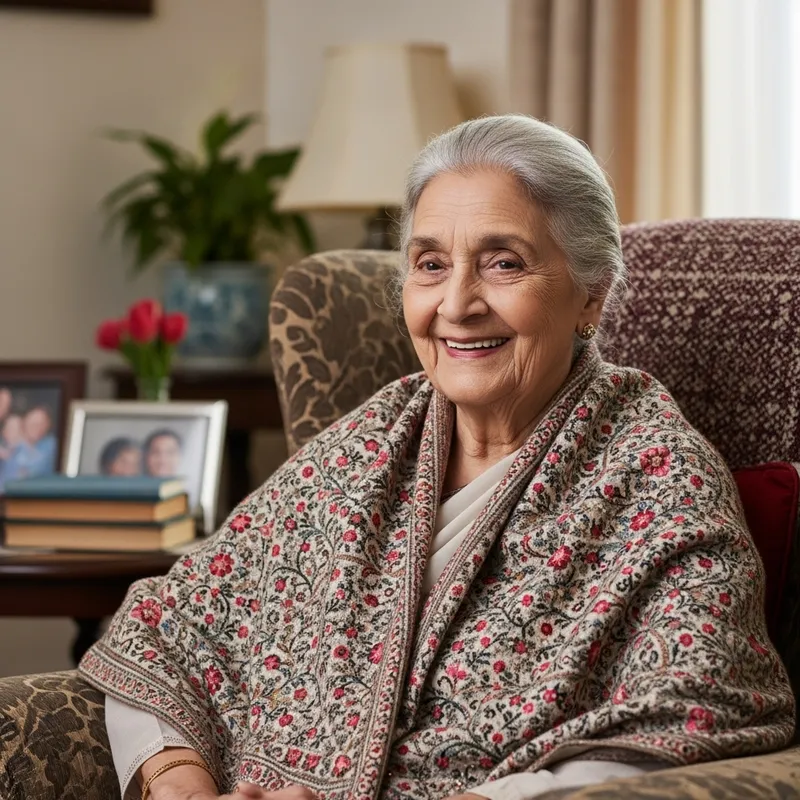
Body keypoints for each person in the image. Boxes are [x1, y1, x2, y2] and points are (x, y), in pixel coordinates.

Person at [80, 116, 794, 800]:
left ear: (591, 296)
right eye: (430, 264)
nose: (457, 303)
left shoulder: (656, 472)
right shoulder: (367, 444)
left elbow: (701, 707)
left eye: (503, 263)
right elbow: (168, 628)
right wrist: (180, 785)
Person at [4, 406, 57, 481]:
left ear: (48, 425)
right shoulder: (11, 446)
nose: (37, 427)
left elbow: (35, 470)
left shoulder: (51, 445)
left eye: (41, 424)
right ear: (24, 422)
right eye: (33, 423)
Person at [0, 413, 24, 492]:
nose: (13, 432)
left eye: (16, 429)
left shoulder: (27, 454)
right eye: (10, 428)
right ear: (3, 432)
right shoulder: (3, 451)